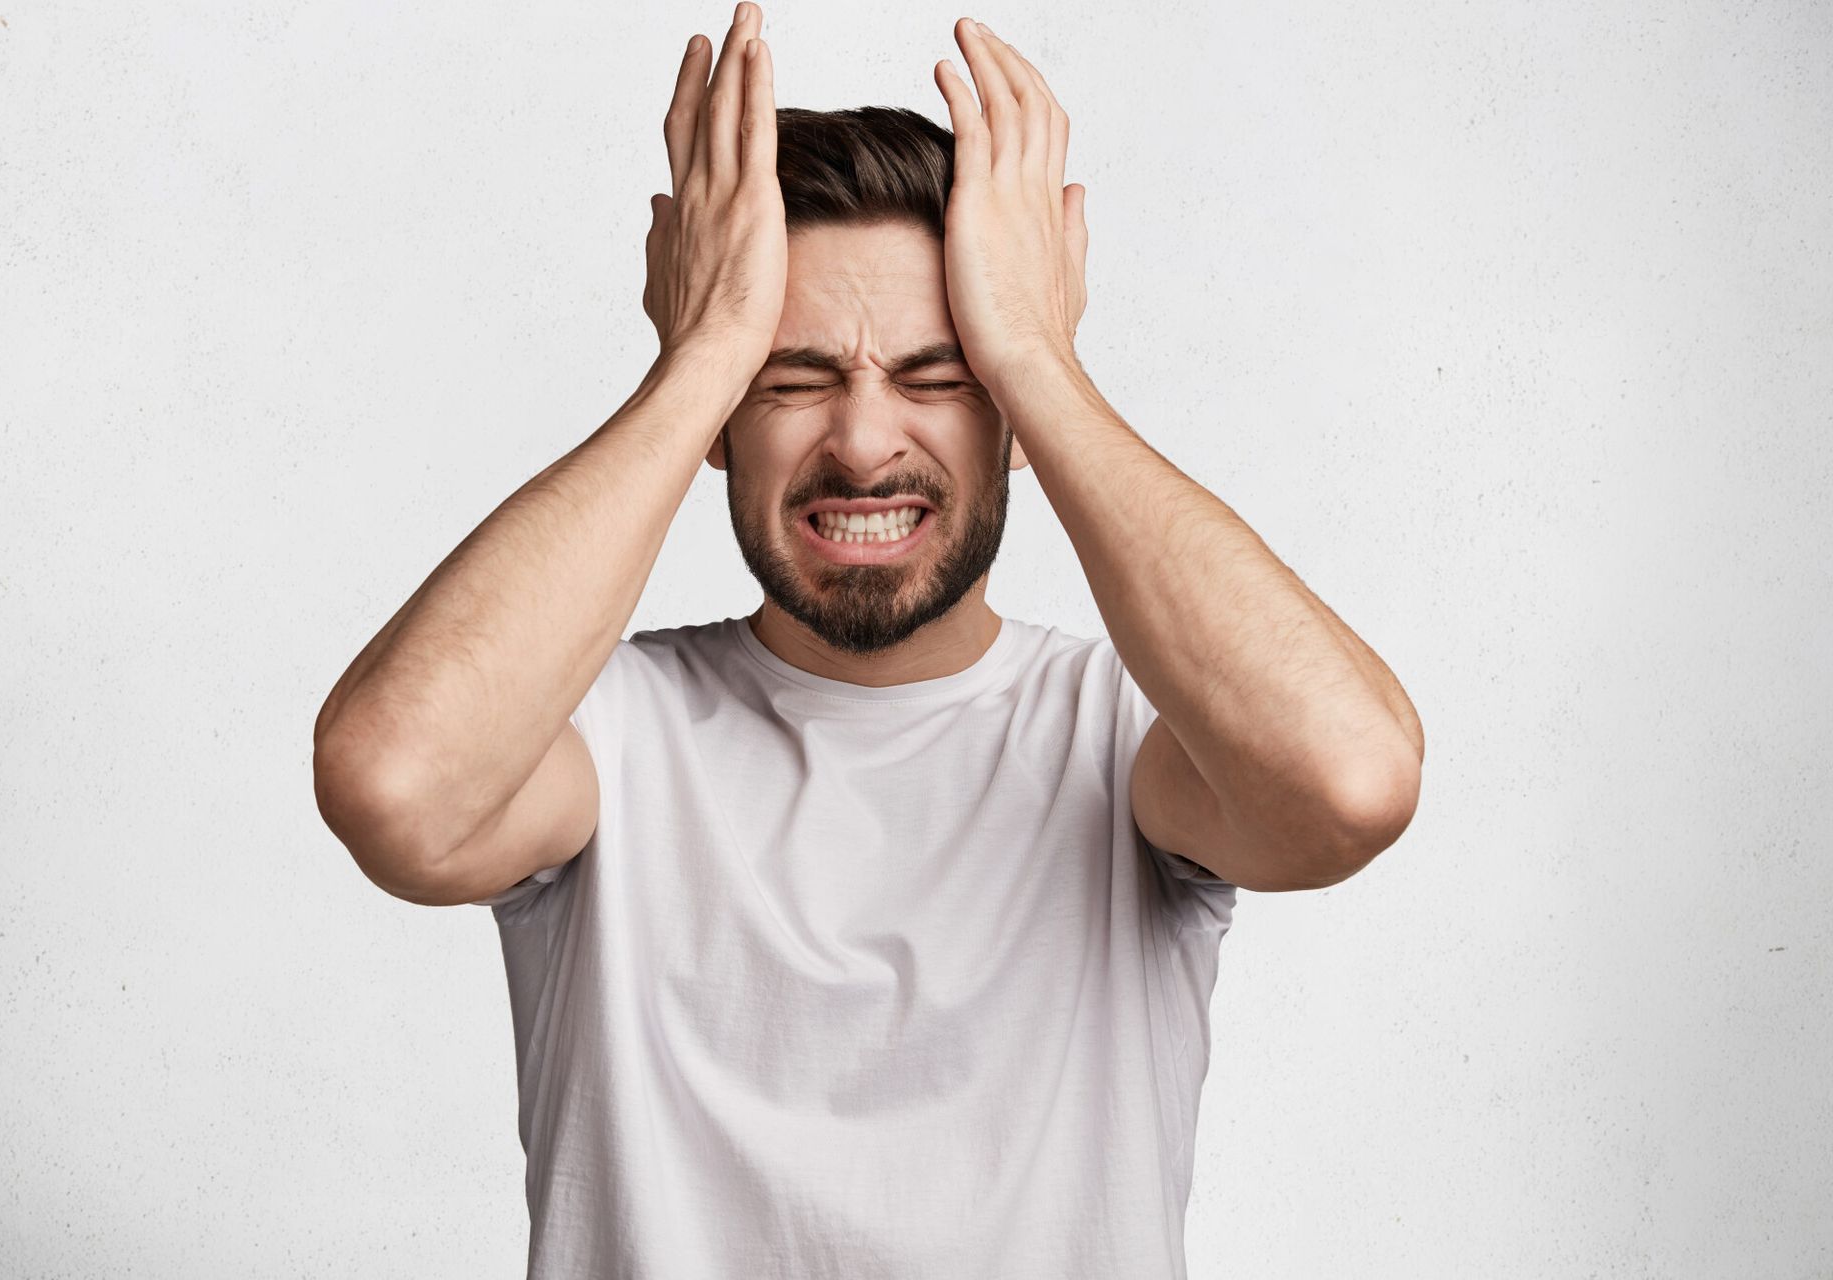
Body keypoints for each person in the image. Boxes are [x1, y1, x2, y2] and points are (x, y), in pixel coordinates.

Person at [312, 5, 1425, 1276]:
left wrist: (1039, 362)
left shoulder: (1127, 741)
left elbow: (1352, 782)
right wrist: (701, 353)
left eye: (938, 376)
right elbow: (392, 782)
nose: (861, 441)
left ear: (1005, 412)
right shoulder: (603, 739)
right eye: (790, 380)